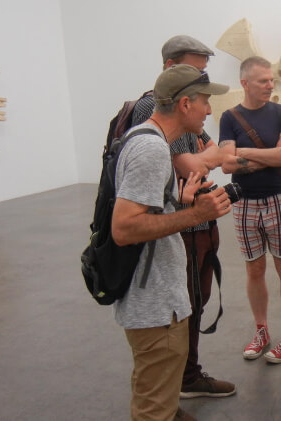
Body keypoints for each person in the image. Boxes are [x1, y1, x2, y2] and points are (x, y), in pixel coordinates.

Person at [111, 64, 233, 421]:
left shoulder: (149, 140)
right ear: (184, 104)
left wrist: (180, 202)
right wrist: (196, 215)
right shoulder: (151, 149)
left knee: (159, 395)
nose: (209, 111)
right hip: (154, 304)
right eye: (205, 102)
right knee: (154, 410)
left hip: (159, 298)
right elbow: (124, 228)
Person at [218, 56, 281, 364]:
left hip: (279, 199)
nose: (270, 85)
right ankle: (262, 330)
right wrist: (270, 155)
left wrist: (243, 152)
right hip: (243, 203)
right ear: (245, 84)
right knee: (254, 269)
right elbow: (226, 164)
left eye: (271, 80)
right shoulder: (229, 117)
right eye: (263, 81)